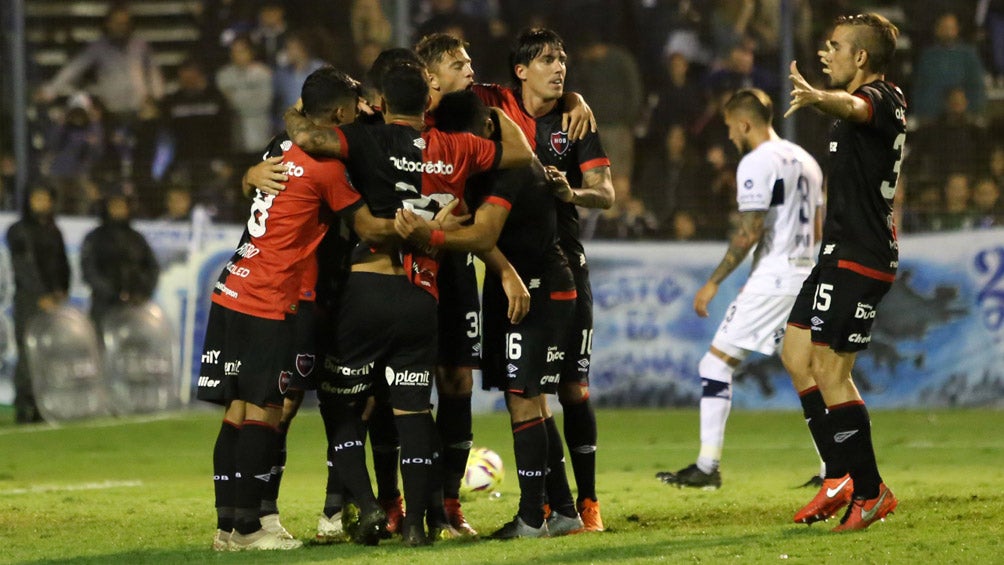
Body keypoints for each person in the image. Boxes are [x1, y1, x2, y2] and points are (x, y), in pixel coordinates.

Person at [283, 61, 534, 545]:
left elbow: (310, 140)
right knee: (414, 409)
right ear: (426, 103)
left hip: (368, 289)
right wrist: (496, 110)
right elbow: (522, 154)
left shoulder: (367, 138)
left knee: (341, 404)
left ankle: (367, 504)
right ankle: (419, 525)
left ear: (383, 103)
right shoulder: (456, 146)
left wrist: (295, 111)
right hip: (423, 294)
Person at [197, 66, 366, 551]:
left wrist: (248, 176)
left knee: (239, 408)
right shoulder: (327, 166)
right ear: (338, 113)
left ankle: (229, 526)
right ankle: (249, 528)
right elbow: (364, 227)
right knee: (267, 410)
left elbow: (262, 184)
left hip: (234, 284)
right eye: (352, 110)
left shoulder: (278, 145)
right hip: (270, 297)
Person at [472, 27, 614, 533]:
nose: (560, 68)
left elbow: (607, 193)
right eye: (549, 60)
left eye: (563, 61)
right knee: (531, 390)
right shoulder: (493, 102)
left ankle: (583, 502)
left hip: (563, 262)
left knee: (570, 390)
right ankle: (557, 509)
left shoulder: (573, 124)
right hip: (512, 264)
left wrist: (571, 194)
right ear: (521, 69)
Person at [655, 88, 823, 489]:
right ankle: (833, 468)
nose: (729, 136)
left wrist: (713, 283)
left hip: (776, 276)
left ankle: (707, 467)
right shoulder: (807, 161)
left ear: (745, 123)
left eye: (730, 128)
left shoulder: (755, 162)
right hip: (806, 270)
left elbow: (749, 232)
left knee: (714, 365)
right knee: (807, 371)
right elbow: (817, 228)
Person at [784, 12, 905, 531]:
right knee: (795, 353)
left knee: (833, 373)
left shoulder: (884, 99)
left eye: (834, 46)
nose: (824, 53)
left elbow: (855, 104)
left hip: (862, 257)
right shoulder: (852, 114)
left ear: (860, 58)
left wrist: (816, 97)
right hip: (836, 254)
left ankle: (870, 492)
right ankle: (838, 475)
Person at [7, 186, 71, 423]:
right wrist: (40, 294)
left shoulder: (54, 231)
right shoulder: (18, 230)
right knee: (28, 352)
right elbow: (24, 267)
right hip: (29, 299)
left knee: (48, 353)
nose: (42, 203)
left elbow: (62, 263)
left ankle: (43, 403)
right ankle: (24, 404)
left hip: (53, 301)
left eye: (45, 198)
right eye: (37, 198)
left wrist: (62, 289)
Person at [80, 192, 159, 331]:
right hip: (104, 307)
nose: (118, 210)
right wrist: (114, 294)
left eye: (122, 206)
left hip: (134, 307)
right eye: (114, 206)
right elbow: (89, 270)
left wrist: (142, 292)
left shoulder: (137, 239)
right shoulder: (95, 238)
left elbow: (152, 268)